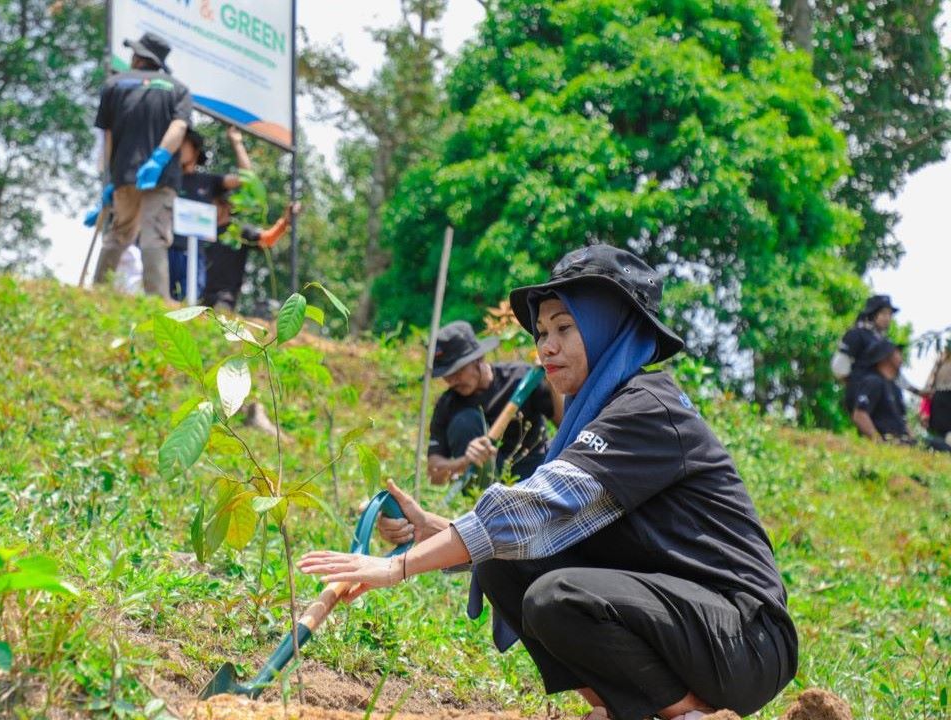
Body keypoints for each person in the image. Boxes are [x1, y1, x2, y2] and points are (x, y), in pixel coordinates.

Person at [300, 244, 797, 720]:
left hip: (744, 637)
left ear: (610, 330)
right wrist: (434, 528)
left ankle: (691, 715)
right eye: (541, 332)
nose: (547, 346)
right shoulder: (599, 411)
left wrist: (398, 568)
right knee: (503, 565)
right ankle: (617, 707)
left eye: (565, 327)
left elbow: (535, 509)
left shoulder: (647, 408)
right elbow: (534, 526)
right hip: (685, 620)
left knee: (557, 595)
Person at [90, 32, 192, 299]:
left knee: (119, 233)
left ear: (137, 57)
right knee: (154, 236)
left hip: (125, 174)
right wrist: (159, 158)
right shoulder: (178, 89)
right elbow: (179, 126)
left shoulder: (114, 85)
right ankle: (156, 301)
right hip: (161, 176)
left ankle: (98, 292)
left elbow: (107, 136)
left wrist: (109, 179)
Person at [426, 321, 562, 489]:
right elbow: (434, 474)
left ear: (479, 359)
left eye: (458, 371)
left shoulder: (521, 379)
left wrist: (552, 382)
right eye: (447, 375)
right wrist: (465, 461)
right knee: (464, 421)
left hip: (535, 475)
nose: (452, 380)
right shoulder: (447, 405)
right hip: (485, 492)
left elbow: (564, 424)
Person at [169, 126, 252, 301]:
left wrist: (236, 142)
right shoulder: (167, 179)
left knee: (189, 299)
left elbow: (247, 178)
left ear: (195, 150)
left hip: (193, 252)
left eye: (183, 144)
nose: (178, 148)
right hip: (167, 250)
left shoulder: (208, 181)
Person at [201, 191, 299, 312]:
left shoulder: (239, 231)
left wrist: (285, 221)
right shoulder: (204, 230)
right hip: (200, 292)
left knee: (220, 320)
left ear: (227, 206)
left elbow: (267, 239)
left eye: (215, 204)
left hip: (225, 295)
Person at [845, 339, 912, 443]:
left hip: (903, 442)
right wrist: (879, 442)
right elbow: (859, 415)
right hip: (889, 443)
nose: (900, 356)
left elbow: (904, 420)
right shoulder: (874, 382)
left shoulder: (895, 388)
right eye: (896, 352)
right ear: (885, 357)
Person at [831, 294, 897, 383]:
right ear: (872, 314)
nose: (888, 318)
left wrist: (915, 391)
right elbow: (839, 366)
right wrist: (857, 387)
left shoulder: (884, 342)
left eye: (890, 314)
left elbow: (892, 372)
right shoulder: (857, 334)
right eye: (883, 313)